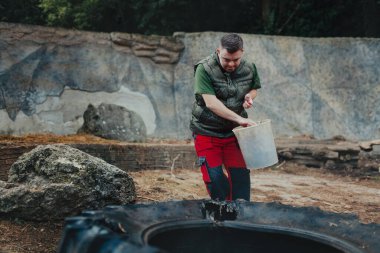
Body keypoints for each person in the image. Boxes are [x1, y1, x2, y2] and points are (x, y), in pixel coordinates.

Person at [190, 33, 261, 201]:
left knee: (241, 179)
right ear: (218, 51)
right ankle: (221, 216)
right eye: (226, 59)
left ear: (242, 52)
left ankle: (240, 217)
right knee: (215, 180)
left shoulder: (249, 67)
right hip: (206, 131)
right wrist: (240, 119)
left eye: (235, 60)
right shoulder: (204, 68)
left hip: (233, 133)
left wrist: (250, 96)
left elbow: (254, 89)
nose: (231, 64)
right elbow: (211, 103)